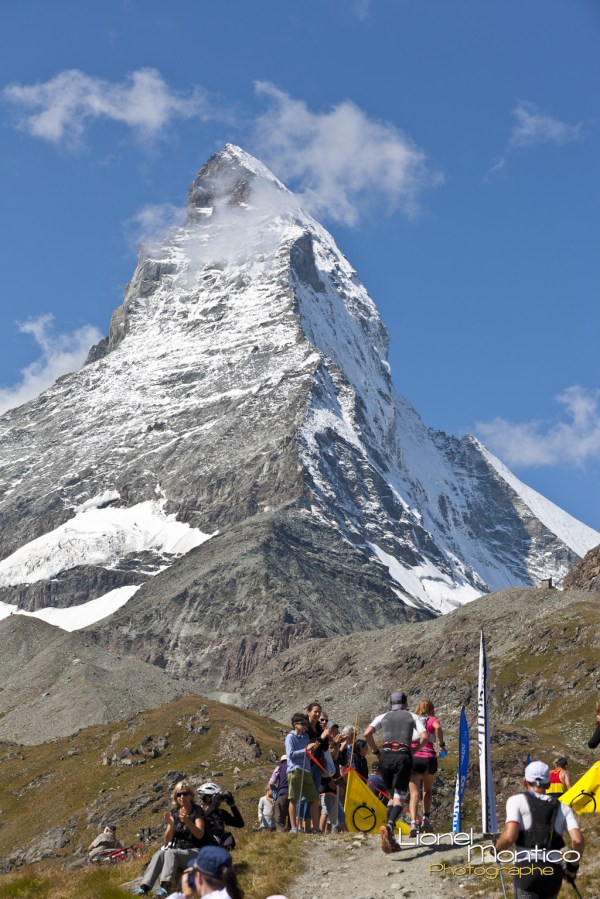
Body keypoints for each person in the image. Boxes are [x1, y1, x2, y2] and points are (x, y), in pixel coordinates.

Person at [495, 760, 584, 899]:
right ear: (548, 784)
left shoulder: (516, 801)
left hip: (526, 868)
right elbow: (578, 841)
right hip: (553, 871)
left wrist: (496, 850)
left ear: (524, 782)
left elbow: (509, 837)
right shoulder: (564, 808)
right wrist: (572, 868)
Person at [364, 691, 427, 853]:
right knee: (400, 797)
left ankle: (390, 838)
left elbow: (367, 733)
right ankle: (390, 826)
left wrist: (376, 751)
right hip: (402, 755)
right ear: (405, 703)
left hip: (385, 756)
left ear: (391, 703)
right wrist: (415, 750)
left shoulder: (382, 716)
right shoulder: (412, 716)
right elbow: (425, 736)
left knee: (391, 796)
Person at [133, 781, 208, 897]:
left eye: (185, 793)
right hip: (178, 852)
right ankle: (144, 887)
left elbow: (200, 834)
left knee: (170, 853)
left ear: (191, 796)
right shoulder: (174, 812)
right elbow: (167, 840)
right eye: (178, 794)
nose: (181, 797)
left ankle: (166, 886)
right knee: (159, 853)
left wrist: (187, 821)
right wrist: (171, 824)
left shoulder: (197, 810)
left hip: (196, 852)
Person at [408, 699, 446, 835]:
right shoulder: (432, 720)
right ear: (431, 709)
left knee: (414, 793)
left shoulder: (413, 720)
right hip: (429, 757)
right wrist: (441, 744)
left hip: (414, 757)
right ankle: (426, 819)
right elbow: (438, 727)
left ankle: (413, 822)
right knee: (427, 790)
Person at [285, 712, 321, 834]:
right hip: (295, 770)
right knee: (294, 798)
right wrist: (306, 749)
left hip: (306, 770)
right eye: (303, 723)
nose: (306, 726)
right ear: (295, 724)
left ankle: (316, 828)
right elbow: (290, 755)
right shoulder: (290, 737)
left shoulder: (306, 737)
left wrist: (312, 749)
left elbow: (308, 754)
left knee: (314, 799)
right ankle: (294, 828)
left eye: (306, 724)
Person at [198, 783, 244, 850]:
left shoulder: (219, 812)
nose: (218, 799)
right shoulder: (198, 811)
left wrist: (232, 805)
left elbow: (239, 824)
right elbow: (204, 816)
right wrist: (214, 805)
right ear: (207, 798)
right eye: (216, 797)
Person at [268, 754, 289, 832]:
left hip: (282, 793)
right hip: (293, 794)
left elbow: (271, 783)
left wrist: (276, 789)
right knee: (292, 813)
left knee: (279, 813)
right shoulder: (293, 767)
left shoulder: (279, 768)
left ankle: (281, 831)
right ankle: (291, 829)